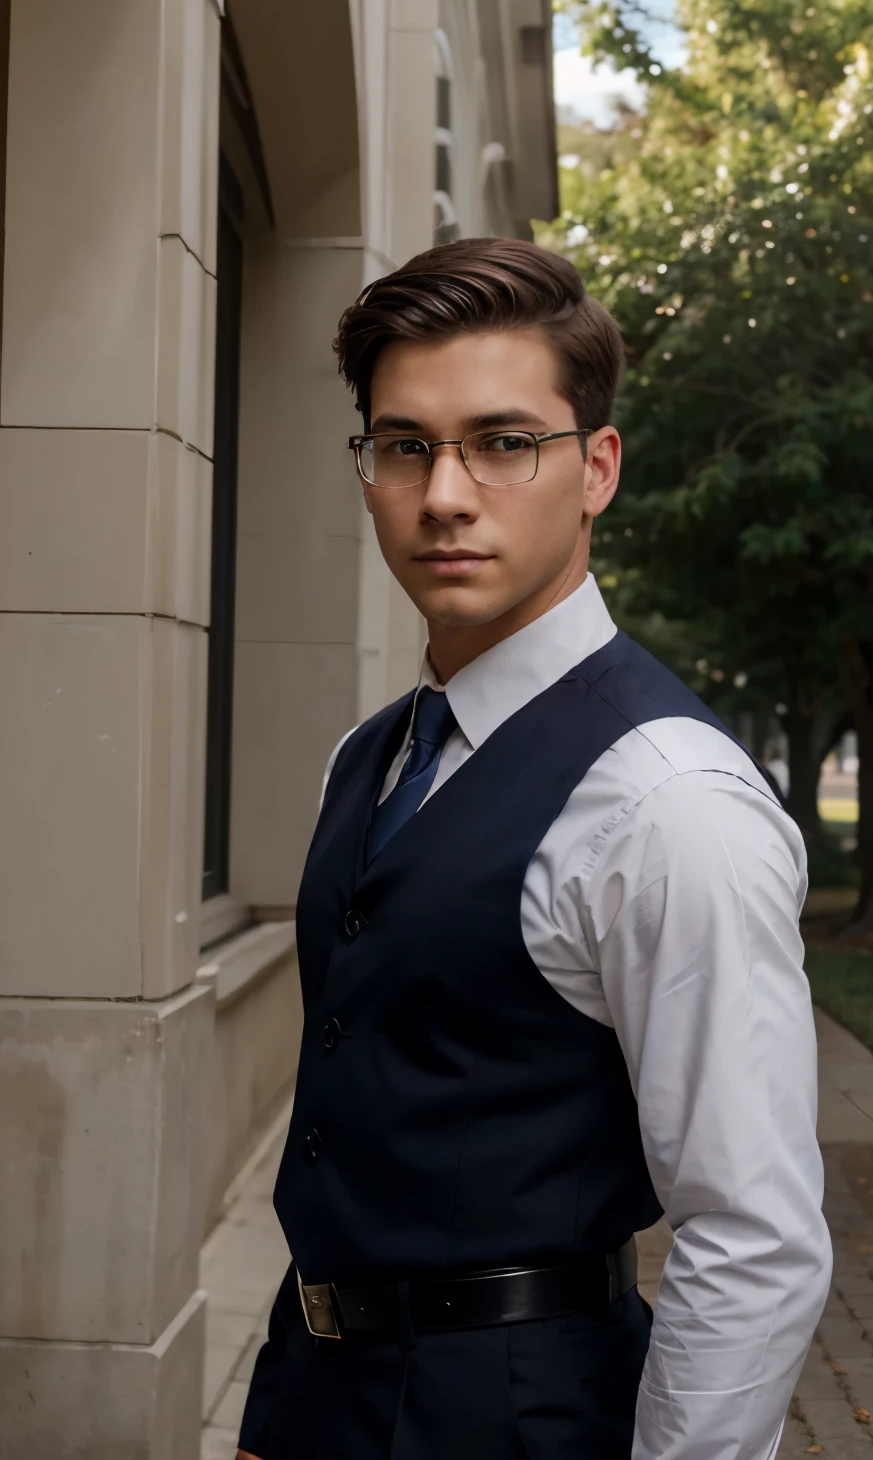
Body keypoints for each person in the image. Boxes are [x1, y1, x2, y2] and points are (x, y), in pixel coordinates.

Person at [236, 238, 831, 1460]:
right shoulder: (370, 754)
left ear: (596, 467)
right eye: (404, 445)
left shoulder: (670, 803)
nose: (444, 493)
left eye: (503, 444)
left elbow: (753, 1238)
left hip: (518, 1418)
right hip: (322, 1404)